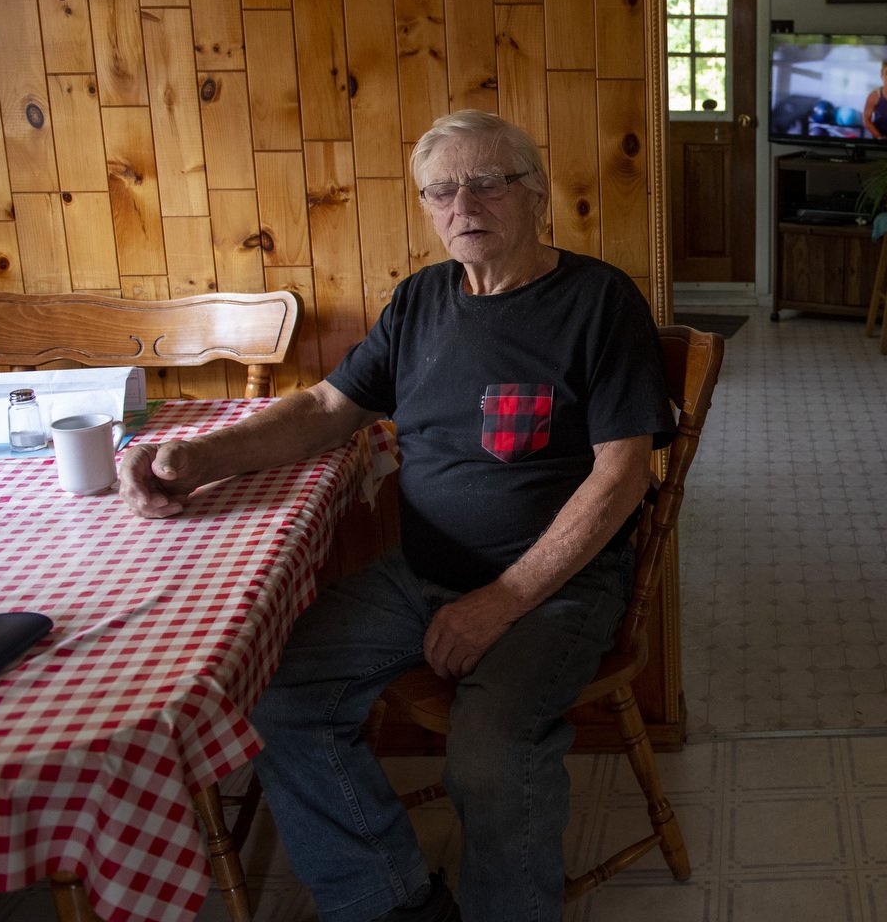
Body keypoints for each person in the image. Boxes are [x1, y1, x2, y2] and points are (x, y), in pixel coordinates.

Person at [118, 110, 674, 922]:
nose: (463, 205)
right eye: (440, 191)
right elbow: (325, 407)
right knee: (277, 698)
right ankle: (392, 904)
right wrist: (204, 460)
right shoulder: (420, 300)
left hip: (558, 584)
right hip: (421, 573)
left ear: (537, 195)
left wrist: (502, 600)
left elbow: (623, 476)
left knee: (489, 757)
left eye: (488, 183)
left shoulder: (598, 300)